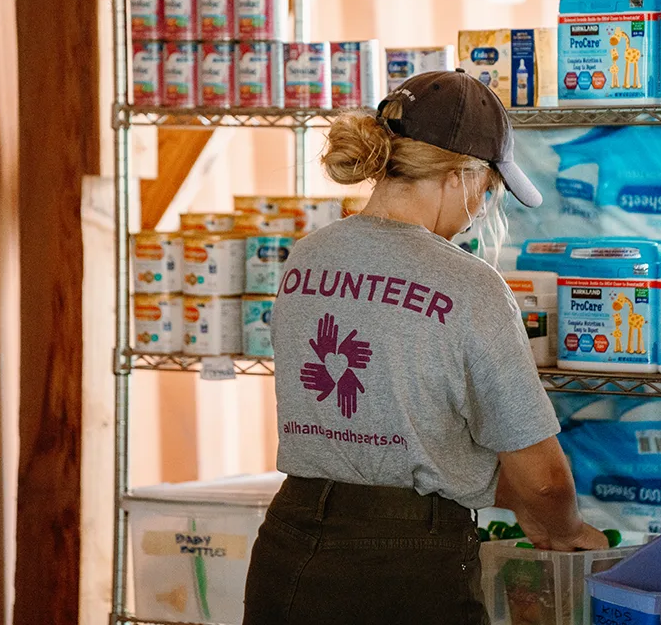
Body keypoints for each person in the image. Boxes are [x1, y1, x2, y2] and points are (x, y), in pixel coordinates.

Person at [244, 69, 607, 625]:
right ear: (460, 174)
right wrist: (562, 528)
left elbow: (393, 429)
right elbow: (544, 477)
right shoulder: (469, 285)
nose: (481, 210)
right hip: (406, 563)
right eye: (487, 189)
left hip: (288, 543)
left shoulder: (307, 256)